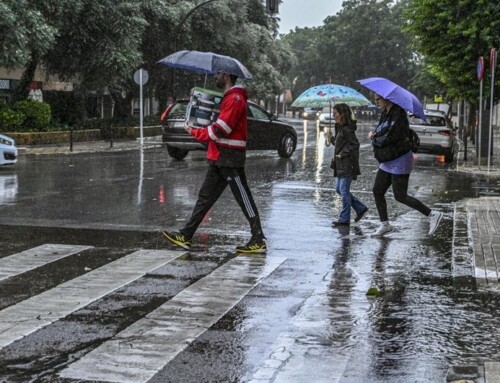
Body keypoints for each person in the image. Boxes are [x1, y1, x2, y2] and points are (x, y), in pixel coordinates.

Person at [162, 71, 266, 253]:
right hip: (219, 156)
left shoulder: (235, 99)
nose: (215, 77)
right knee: (205, 198)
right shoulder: (229, 97)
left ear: (226, 75)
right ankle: (186, 235)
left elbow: (221, 129)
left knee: (243, 198)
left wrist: (194, 131)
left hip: (229, 158)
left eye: (218, 74)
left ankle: (258, 238)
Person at [368, 93, 443, 236]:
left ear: (387, 98)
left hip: (400, 158)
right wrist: (375, 134)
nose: (376, 102)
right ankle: (385, 224)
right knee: (377, 190)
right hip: (388, 158)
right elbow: (382, 130)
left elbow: (392, 136)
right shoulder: (385, 113)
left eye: (378, 99)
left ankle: (432, 214)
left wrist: (375, 141)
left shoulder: (399, 114)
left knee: (400, 196)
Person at [330, 103, 368, 227]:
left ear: (342, 114)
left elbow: (354, 145)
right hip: (340, 164)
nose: (333, 115)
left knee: (343, 190)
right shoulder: (340, 128)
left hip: (347, 164)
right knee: (339, 189)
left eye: (335, 113)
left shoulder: (347, 129)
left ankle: (344, 219)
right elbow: (340, 144)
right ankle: (360, 208)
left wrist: (343, 154)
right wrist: (331, 140)